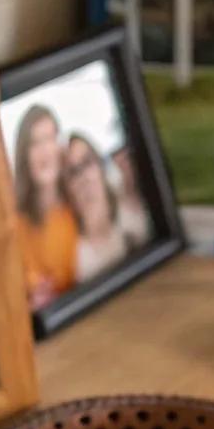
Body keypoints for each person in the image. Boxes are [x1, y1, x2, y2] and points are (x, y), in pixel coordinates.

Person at [12, 104, 77, 311]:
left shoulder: (78, 207)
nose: (45, 151)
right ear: (24, 154)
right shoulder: (14, 224)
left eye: (50, 139)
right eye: (35, 143)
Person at [64, 134, 142, 284]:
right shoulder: (74, 261)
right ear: (66, 190)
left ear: (100, 166)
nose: (84, 178)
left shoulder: (135, 223)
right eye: (73, 172)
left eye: (87, 162)